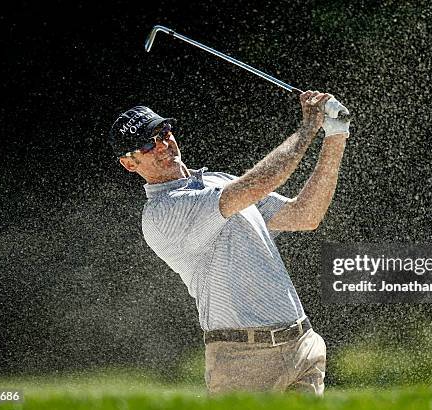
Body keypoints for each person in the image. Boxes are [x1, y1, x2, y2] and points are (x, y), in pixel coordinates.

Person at [108, 91, 350, 395]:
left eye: (163, 132)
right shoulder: (161, 213)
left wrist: (335, 135)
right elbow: (259, 182)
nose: (162, 144)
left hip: (302, 344)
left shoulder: (218, 181)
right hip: (243, 359)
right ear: (130, 164)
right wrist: (307, 129)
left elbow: (305, 215)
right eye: (147, 144)